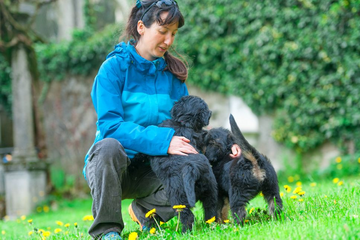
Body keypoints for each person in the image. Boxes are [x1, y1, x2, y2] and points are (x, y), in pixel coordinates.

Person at [83, 0, 241, 239]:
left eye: (174, 33)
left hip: (157, 168)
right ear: (141, 27)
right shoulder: (113, 69)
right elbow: (110, 127)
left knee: (196, 168)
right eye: (163, 31)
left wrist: (227, 144)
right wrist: (164, 140)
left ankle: (146, 211)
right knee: (108, 147)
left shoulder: (173, 76)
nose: (169, 41)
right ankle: (107, 231)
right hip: (113, 168)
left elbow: (194, 129)